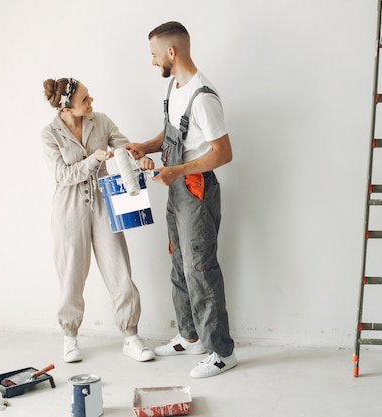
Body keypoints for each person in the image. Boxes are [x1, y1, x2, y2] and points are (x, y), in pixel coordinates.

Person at [125, 21, 236, 378]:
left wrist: (177, 171)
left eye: (155, 55)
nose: (153, 62)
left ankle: (221, 351)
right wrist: (146, 145)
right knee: (179, 265)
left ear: (172, 52)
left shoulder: (203, 97)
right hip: (176, 188)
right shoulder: (176, 86)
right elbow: (175, 132)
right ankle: (190, 337)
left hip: (197, 190)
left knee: (200, 268)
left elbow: (223, 153)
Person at [41, 77, 154, 363]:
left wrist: (138, 158)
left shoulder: (100, 121)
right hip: (69, 207)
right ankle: (70, 337)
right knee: (71, 275)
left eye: (89, 97)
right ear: (67, 108)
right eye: (85, 100)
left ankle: (130, 335)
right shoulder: (49, 134)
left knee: (119, 267)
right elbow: (63, 176)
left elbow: (126, 147)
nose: (91, 102)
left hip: (104, 199)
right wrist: (93, 160)